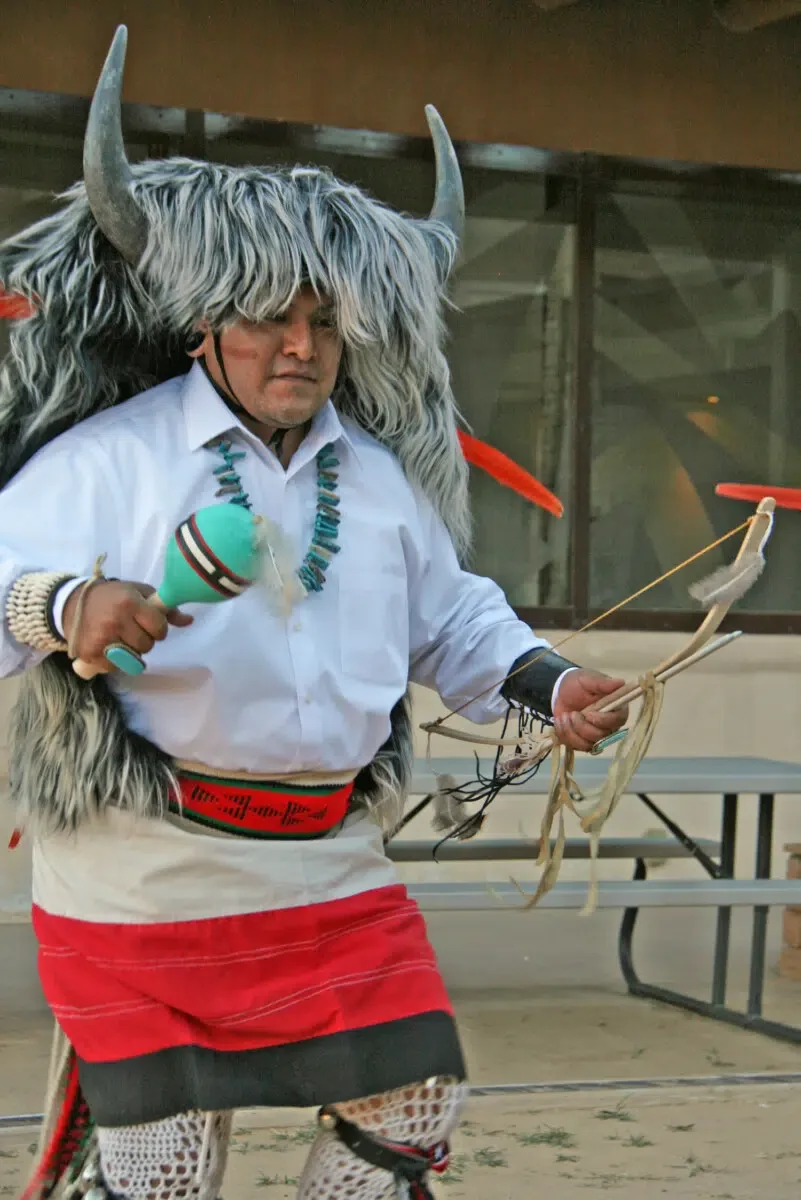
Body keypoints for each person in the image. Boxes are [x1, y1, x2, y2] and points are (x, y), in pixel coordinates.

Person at [0, 26, 627, 1200]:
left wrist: (551, 684)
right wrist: (66, 604)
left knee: (417, 1099)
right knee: (169, 1166)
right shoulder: (104, 463)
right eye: (266, 318)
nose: (299, 347)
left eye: (325, 322)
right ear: (203, 325)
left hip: (332, 870)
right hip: (145, 873)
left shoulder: (378, 481)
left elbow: (455, 620)